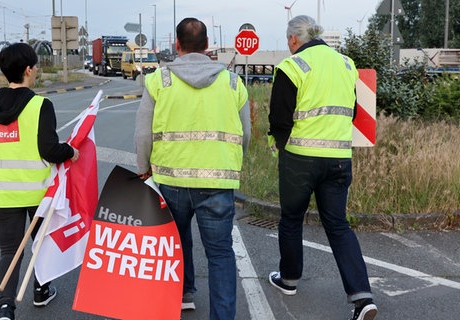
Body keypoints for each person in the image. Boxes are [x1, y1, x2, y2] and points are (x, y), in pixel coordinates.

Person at [134, 17, 250, 320]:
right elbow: (245, 135)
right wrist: (233, 163)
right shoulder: (233, 81)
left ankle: (183, 293)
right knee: (221, 254)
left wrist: (143, 168)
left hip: (171, 180)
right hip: (219, 182)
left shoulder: (159, 80)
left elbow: (143, 133)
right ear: (208, 46)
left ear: (177, 45)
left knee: (175, 240)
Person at [266, 15, 377, 320]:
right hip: (339, 159)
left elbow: (279, 119)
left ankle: (288, 280)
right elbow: (352, 110)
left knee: (291, 219)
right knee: (339, 225)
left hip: (300, 159)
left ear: (293, 40)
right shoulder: (345, 64)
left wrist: (281, 147)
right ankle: (362, 297)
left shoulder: (292, 66)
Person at [0, 42, 79, 320]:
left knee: (9, 251)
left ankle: (5, 309)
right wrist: (72, 151)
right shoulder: (39, 105)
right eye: (34, 66)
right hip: (38, 194)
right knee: (40, 246)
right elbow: (49, 149)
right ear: (28, 70)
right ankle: (41, 291)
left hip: (0, 194)